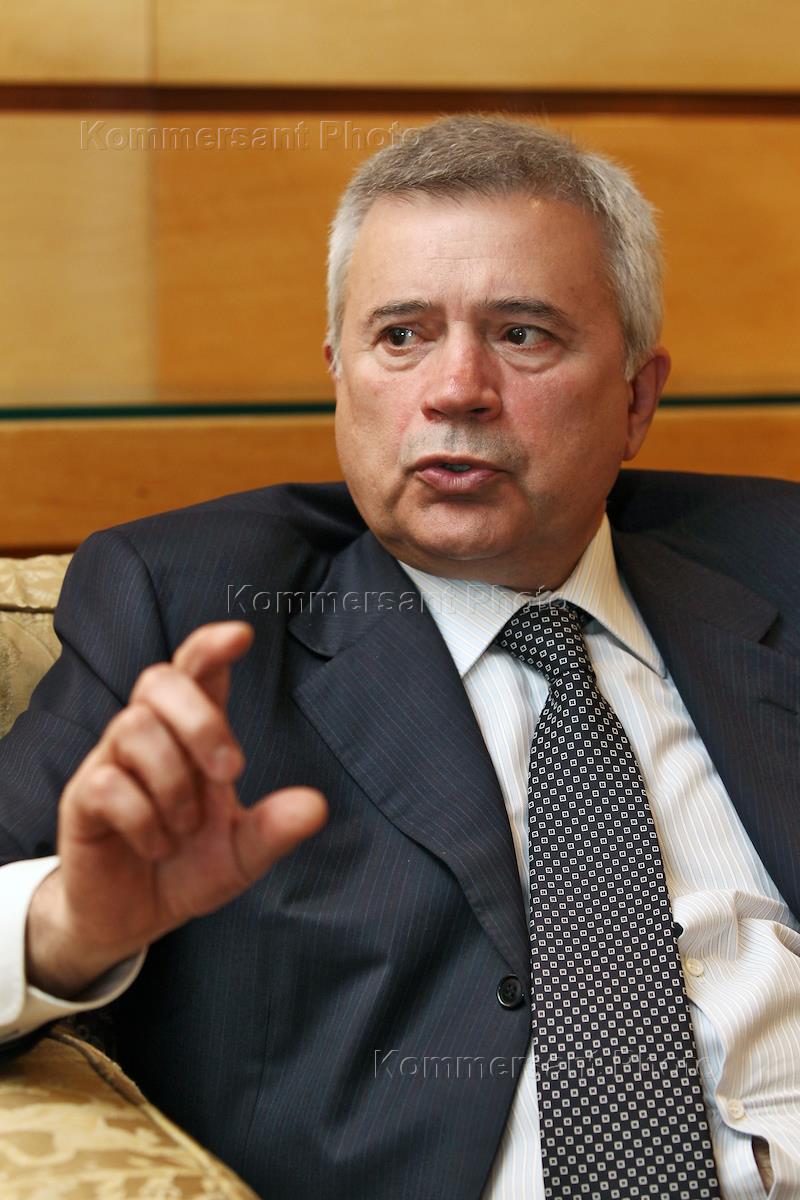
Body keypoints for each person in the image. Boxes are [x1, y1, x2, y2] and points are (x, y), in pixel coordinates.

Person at [0, 115, 798, 1199]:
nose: (455, 388)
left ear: (635, 399)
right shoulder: (186, 606)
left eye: (523, 334)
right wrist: (64, 928)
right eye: (402, 335)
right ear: (340, 375)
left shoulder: (775, 564)